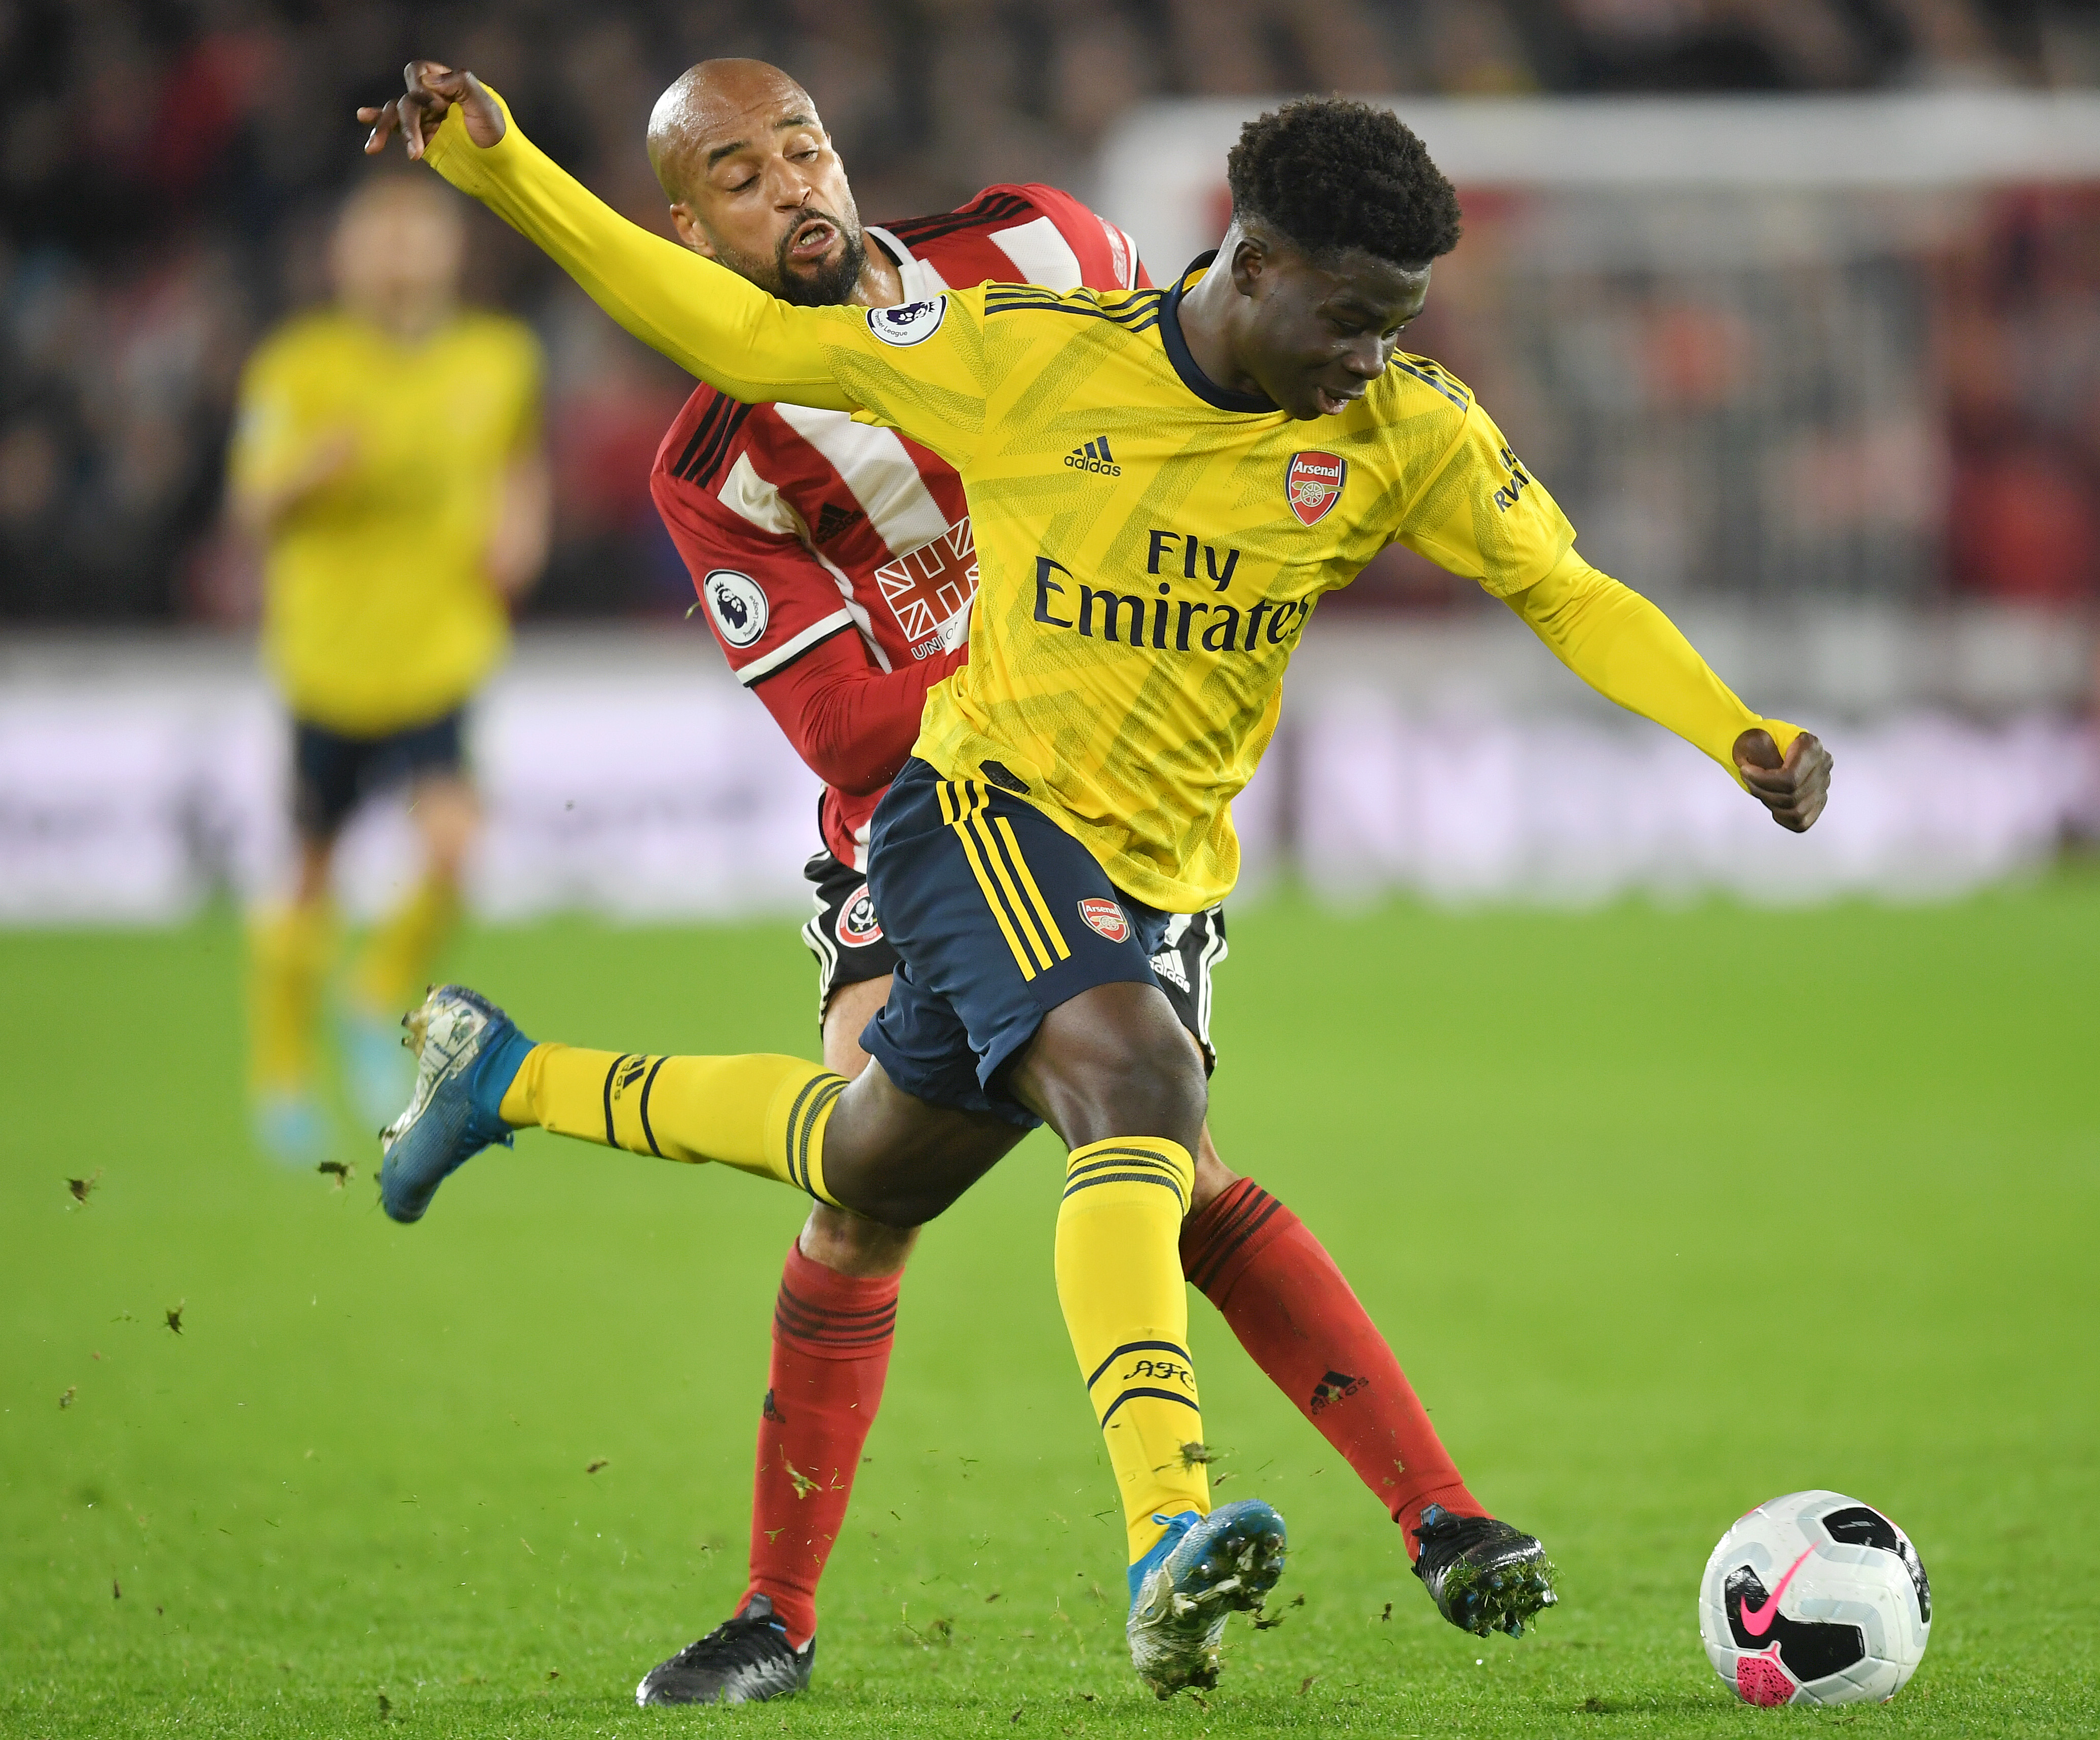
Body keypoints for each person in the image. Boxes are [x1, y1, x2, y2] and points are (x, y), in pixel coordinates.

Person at [360, 67, 1831, 1700]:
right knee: (1138, 1098)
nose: (1375, 354)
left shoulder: (1364, 409)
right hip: (958, 807)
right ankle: (1169, 1536)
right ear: (1255, 267)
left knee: (873, 1161)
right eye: (1353, 316)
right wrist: (504, 178)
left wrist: (1735, 730)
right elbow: (758, 375)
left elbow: (1566, 590)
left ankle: (511, 1075)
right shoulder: (1004, 374)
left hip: (1159, 861)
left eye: (805, 150)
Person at [227, 174, 548, 1157]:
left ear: (451, 252)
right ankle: (280, 1071)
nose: (401, 254)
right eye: (382, 236)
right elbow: (252, 507)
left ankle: (372, 993)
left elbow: (517, 462)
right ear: (344, 255)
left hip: (438, 652)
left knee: (454, 847)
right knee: (311, 872)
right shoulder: (298, 367)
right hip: (328, 658)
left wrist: (522, 531)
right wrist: (307, 475)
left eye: (419, 235)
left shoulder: (498, 358)